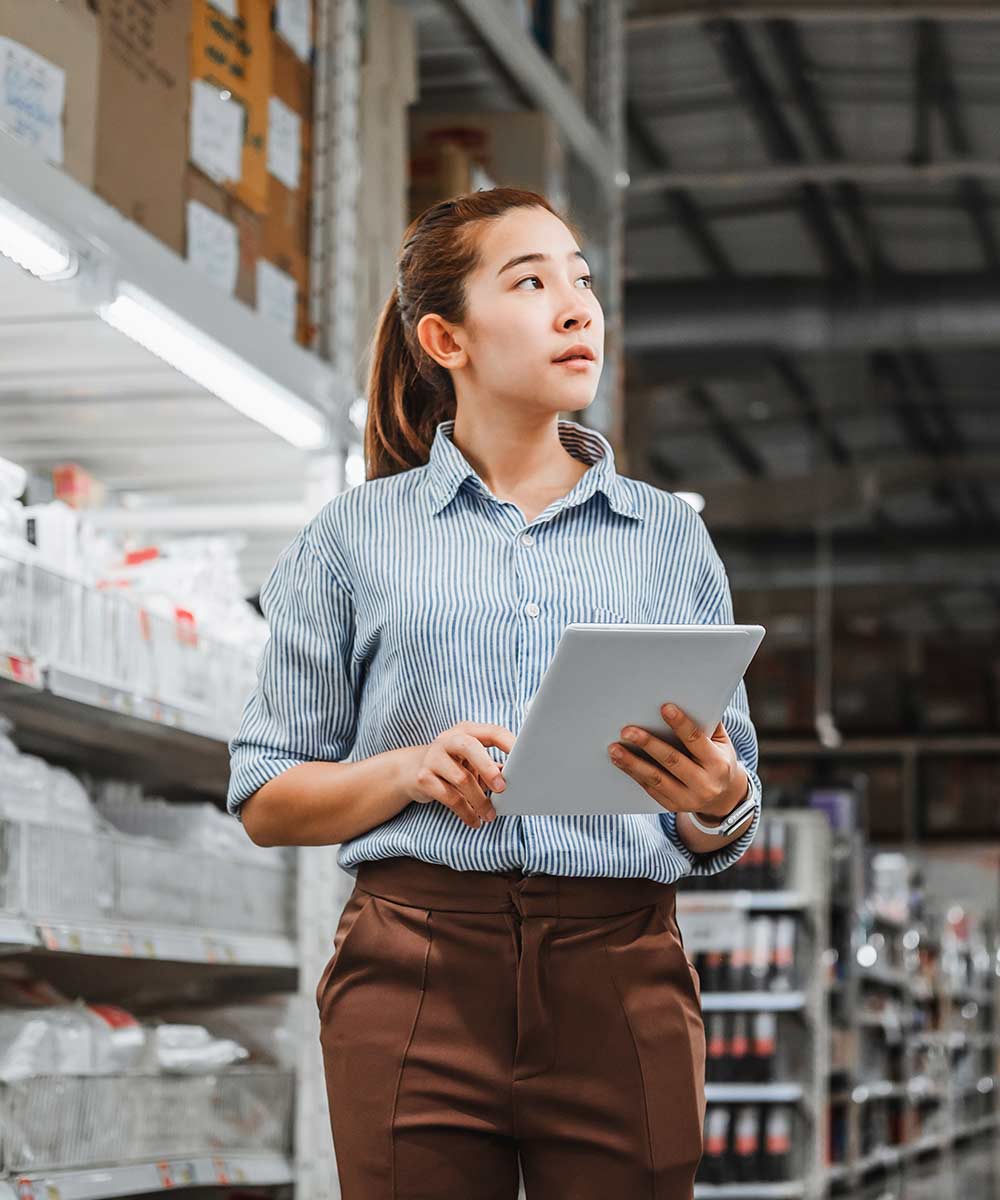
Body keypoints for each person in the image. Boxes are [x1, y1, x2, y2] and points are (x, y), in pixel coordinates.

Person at [227, 187, 762, 1200]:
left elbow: (731, 809)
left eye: (582, 281)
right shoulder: (352, 538)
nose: (576, 308)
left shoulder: (667, 537)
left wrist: (712, 797)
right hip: (414, 972)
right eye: (530, 282)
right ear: (445, 337)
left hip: (619, 969)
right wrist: (403, 771)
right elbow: (263, 796)